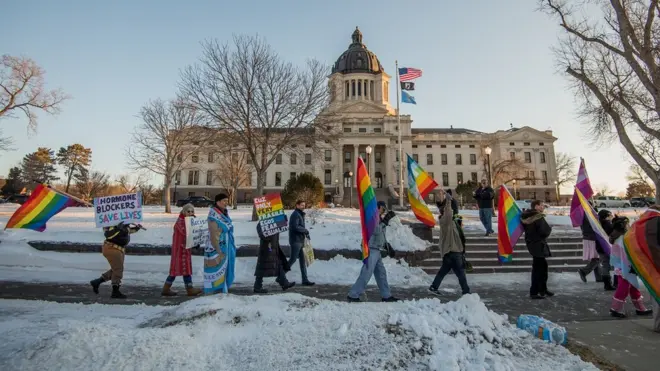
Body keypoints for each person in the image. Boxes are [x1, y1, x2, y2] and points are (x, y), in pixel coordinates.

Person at [347, 201, 400, 302]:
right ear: (378, 207)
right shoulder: (371, 217)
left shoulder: (378, 218)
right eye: (383, 208)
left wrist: (387, 246)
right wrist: (385, 221)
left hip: (376, 248)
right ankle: (353, 295)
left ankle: (386, 295)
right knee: (366, 273)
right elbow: (376, 231)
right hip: (370, 248)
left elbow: (381, 235)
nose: (384, 211)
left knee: (381, 273)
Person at [607, 215, 653, 318]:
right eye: (627, 223)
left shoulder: (616, 236)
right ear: (624, 225)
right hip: (625, 267)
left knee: (633, 286)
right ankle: (616, 309)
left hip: (621, 266)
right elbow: (626, 254)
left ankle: (640, 308)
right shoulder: (623, 238)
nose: (629, 225)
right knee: (623, 288)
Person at [429, 190, 471, 295]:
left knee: (444, 271)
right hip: (453, 251)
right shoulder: (446, 221)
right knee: (461, 273)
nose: (451, 211)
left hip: (452, 251)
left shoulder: (450, 222)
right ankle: (466, 292)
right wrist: (448, 201)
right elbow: (448, 211)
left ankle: (434, 287)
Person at [90, 221, 142, 299]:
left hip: (119, 249)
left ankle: (97, 282)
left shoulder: (122, 223)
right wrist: (118, 228)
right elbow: (108, 235)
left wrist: (135, 229)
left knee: (116, 269)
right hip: (112, 248)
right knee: (118, 269)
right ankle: (115, 291)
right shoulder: (109, 223)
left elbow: (126, 231)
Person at [161, 204, 202, 297]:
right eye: (188, 211)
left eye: (192, 211)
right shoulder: (181, 222)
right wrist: (194, 241)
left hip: (184, 250)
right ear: (184, 212)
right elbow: (186, 234)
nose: (190, 213)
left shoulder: (187, 221)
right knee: (177, 270)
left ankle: (187, 288)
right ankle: (168, 288)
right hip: (179, 251)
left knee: (184, 270)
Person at [203, 194, 236, 294]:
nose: (226, 203)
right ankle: (215, 288)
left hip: (226, 243)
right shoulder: (213, 214)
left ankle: (223, 285)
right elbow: (214, 231)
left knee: (226, 265)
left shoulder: (224, 212)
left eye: (227, 200)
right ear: (217, 202)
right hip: (217, 245)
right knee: (216, 265)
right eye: (224, 201)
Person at [521, 200, 554, 299]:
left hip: (532, 243)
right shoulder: (537, 216)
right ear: (536, 206)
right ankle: (534, 292)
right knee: (538, 269)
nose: (543, 207)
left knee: (542, 267)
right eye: (541, 205)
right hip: (538, 244)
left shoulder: (527, 216)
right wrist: (549, 228)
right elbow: (544, 231)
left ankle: (542, 289)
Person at [254, 220, 296, 293]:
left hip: (274, 247)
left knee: (279, 263)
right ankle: (257, 286)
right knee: (262, 267)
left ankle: (284, 282)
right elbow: (262, 235)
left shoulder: (274, 221)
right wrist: (269, 238)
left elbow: (282, 226)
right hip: (267, 248)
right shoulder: (261, 223)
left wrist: (283, 219)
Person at [577, 209, 614, 290]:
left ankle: (598, 277)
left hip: (594, 241)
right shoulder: (588, 216)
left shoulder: (591, 218)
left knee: (598, 258)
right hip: (593, 240)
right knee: (598, 259)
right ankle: (584, 271)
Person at [288, 200, 315, 286]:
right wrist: (305, 230)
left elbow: (299, 227)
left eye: (304, 205)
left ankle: (305, 280)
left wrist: (305, 233)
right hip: (296, 241)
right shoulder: (295, 214)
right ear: (297, 205)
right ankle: (281, 276)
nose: (303, 207)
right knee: (293, 259)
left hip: (300, 240)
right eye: (301, 205)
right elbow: (295, 227)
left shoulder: (299, 214)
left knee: (303, 261)